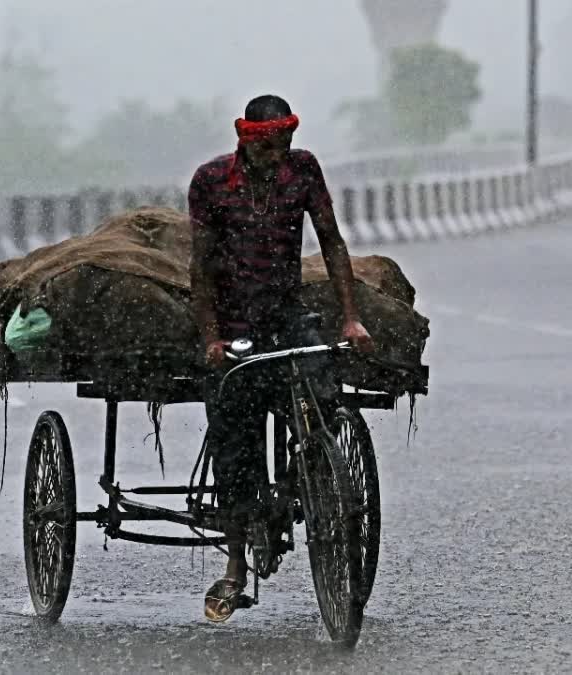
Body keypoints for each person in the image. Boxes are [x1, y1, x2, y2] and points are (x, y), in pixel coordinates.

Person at [188, 94, 373, 622]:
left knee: (322, 399)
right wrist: (211, 338)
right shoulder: (211, 182)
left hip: (287, 318)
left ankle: (312, 475)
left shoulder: (304, 170)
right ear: (248, 139)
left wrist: (350, 317)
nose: (280, 151)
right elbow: (200, 268)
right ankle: (235, 563)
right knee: (234, 434)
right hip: (232, 325)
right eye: (271, 143)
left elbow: (332, 242)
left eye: (286, 141)